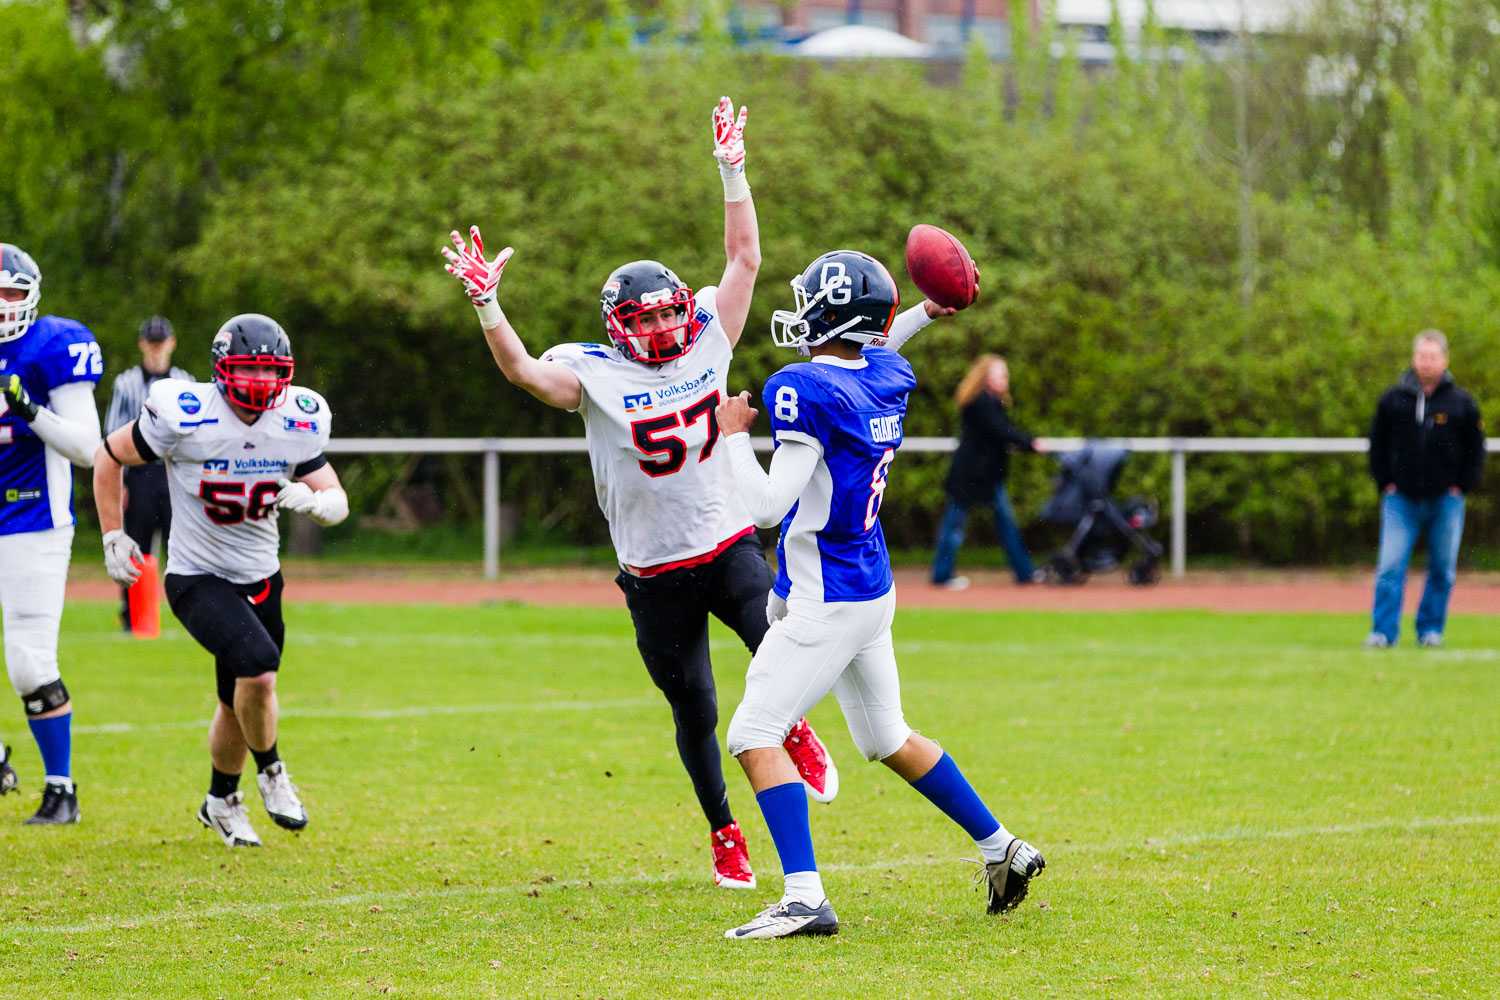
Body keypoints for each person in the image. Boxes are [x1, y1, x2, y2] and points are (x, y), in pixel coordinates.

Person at [439, 96, 850, 891]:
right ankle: (724, 829)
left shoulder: (708, 334)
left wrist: (734, 172)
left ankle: (791, 724)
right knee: (694, 711)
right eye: (646, 321)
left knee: (779, 647)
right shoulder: (590, 370)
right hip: (653, 570)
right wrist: (489, 305)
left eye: (668, 316)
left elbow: (744, 262)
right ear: (616, 325)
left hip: (729, 538)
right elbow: (525, 371)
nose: (664, 331)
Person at [715, 249, 1044, 941]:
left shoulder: (801, 387)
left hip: (827, 594)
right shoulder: (887, 374)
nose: (799, 311)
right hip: (870, 585)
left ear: (832, 314)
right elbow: (878, 347)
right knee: (887, 737)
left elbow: (771, 506)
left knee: (751, 734)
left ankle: (804, 897)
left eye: (810, 301)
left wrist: (732, 441)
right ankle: (1001, 848)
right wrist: (927, 310)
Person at [93, 314, 349, 847]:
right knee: (258, 671)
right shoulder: (183, 412)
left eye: (268, 372)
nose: (258, 384)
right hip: (196, 576)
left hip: (262, 576)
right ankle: (272, 773)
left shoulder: (298, 417)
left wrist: (323, 505)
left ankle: (220, 802)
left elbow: (335, 493)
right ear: (220, 369)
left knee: (237, 698)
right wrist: (114, 533)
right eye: (247, 371)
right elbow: (108, 454)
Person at [0, 243, 103, 825]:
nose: (0, 304)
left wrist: (28, 409)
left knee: (29, 664)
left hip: (30, 517)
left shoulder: (51, 347)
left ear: (31, 296)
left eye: (10, 291)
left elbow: (89, 449)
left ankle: (61, 789)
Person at [1364, 330, 1485, 649]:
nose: (1426, 362)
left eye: (1432, 356)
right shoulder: (1393, 399)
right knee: (1390, 566)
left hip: (1446, 500)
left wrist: (1462, 485)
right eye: (1421, 356)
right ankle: (1384, 633)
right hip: (1400, 499)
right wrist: (1385, 481)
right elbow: (1377, 444)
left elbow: (1475, 449)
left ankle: (1430, 630)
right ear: (1413, 358)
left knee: (1442, 570)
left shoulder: (1461, 402)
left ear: (1444, 360)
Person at [104, 315, 194, 631]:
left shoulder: (185, 381)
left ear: (171, 344)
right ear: (144, 344)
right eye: (152, 344)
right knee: (136, 545)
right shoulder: (127, 383)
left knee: (181, 547)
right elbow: (112, 434)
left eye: (161, 343)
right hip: (138, 474)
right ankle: (131, 615)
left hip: (172, 474)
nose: (156, 350)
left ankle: (189, 612)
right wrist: (121, 482)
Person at [931, 354, 1046, 590]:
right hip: (970, 476)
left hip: (987, 476)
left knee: (1005, 524)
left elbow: (1002, 431)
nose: (1006, 379)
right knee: (955, 526)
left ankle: (1024, 572)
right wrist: (1030, 443)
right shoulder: (981, 402)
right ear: (986, 377)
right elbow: (1001, 430)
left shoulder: (990, 401)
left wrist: (1026, 442)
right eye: (1000, 374)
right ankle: (942, 575)